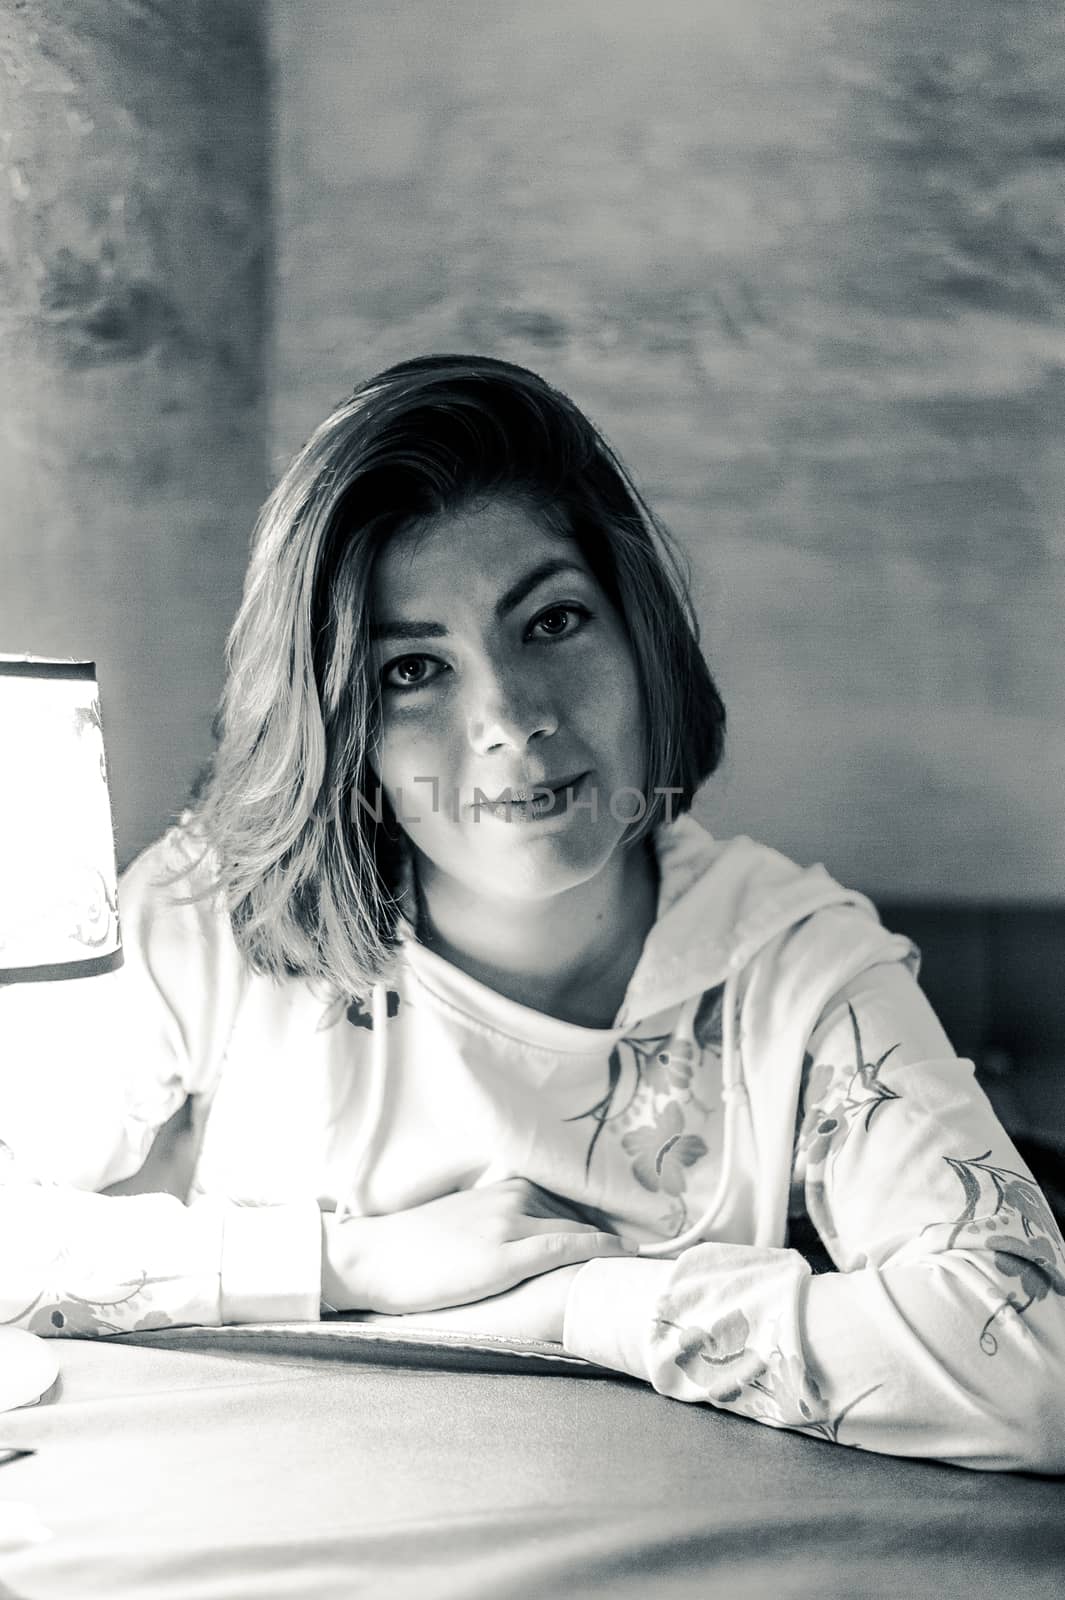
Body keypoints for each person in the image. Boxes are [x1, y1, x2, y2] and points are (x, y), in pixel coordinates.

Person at [2, 354, 1064, 1473]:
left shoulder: (792, 967)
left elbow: (1036, 1365)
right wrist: (354, 1265)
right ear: (341, 718)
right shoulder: (218, 912)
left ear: (639, 633)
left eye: (551, 621)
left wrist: (578, 1305)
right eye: (414, 669)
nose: (509, 716)